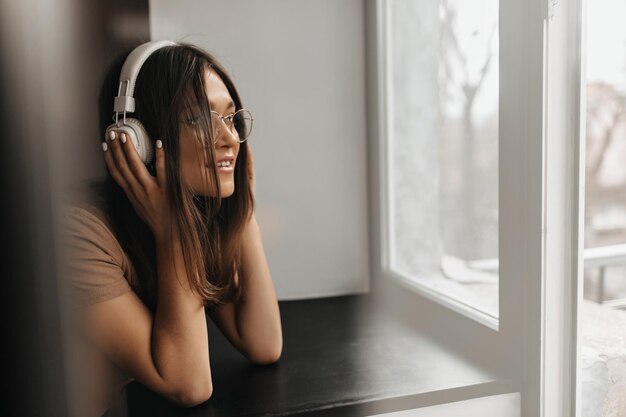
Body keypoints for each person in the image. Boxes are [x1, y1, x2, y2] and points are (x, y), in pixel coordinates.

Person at [61, 41, 282, 417]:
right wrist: (172, 234)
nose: (230, 139)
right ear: (137, 140)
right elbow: (190, 386)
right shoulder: (77, 232)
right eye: (199, 119)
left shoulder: (194, 212)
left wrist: (242, 208)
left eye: (231, 118)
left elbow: (263, 343)